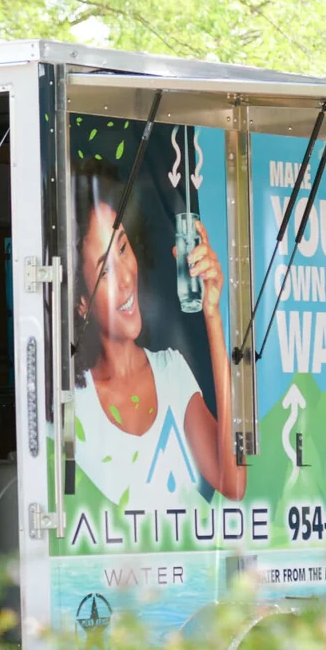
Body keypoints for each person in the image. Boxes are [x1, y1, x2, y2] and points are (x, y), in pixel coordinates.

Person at [72, 173, 247, 505]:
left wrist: (212, 313)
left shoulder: (171, 372)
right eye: (105, 270)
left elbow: (233, 482)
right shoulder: (72, 400)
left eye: (123, 248)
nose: (125, 277)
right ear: (82, 302)